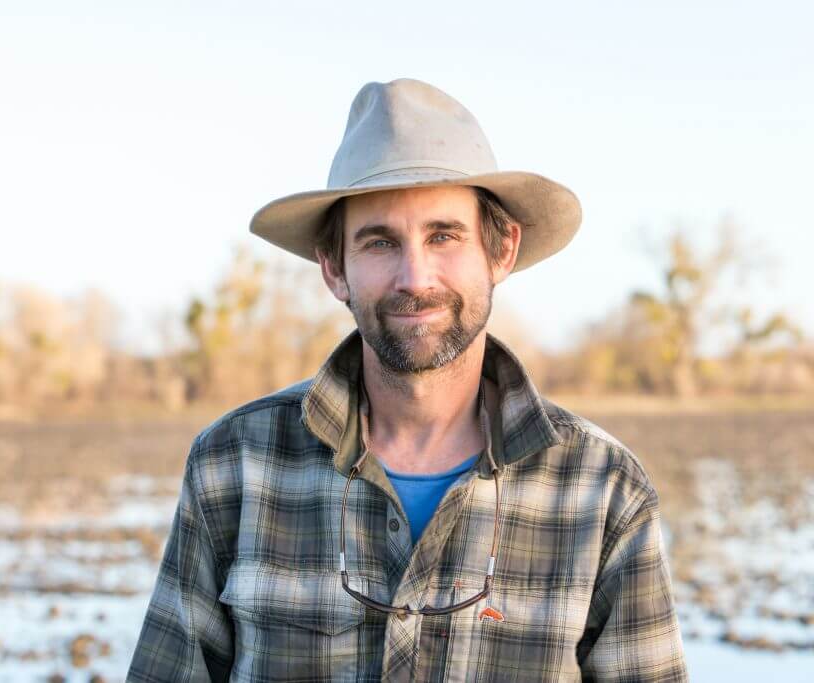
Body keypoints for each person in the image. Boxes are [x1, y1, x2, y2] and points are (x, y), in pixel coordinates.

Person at [128, 78, 687, 682]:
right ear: (334, 269)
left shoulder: (604, 491)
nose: (414, 277)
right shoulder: (233, 464)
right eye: (380, 242)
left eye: (443, 236)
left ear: (499, 252)